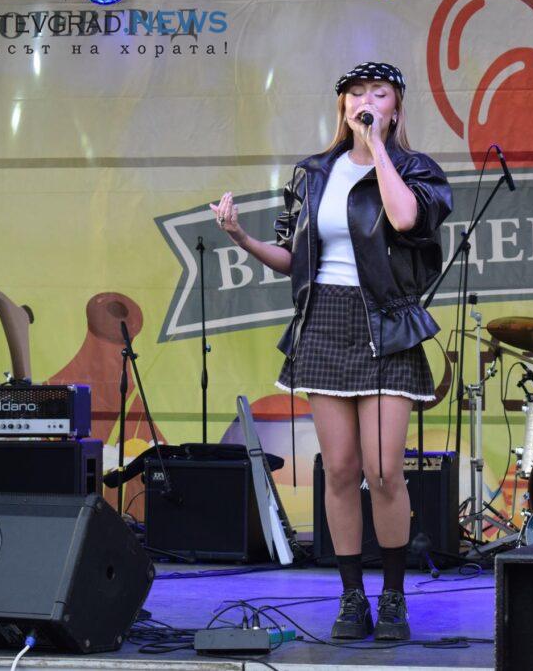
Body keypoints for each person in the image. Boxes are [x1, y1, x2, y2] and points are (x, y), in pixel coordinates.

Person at [211, 62, 452, 641]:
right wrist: (241, 236)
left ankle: (393, 597)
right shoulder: (314, 172)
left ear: (396, 106)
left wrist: (378, 148)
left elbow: (405, 218)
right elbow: (296, 258)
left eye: (379, 94)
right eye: (355, 94)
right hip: (324, 320)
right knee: (339, 470)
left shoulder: (418, 170)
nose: (365, 101)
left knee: (383, 470)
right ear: (341, 104)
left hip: (385, 323)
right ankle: (351, 597)